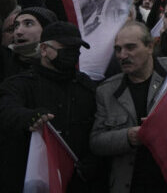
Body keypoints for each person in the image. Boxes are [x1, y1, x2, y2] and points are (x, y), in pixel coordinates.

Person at [90, 21, 167, 193]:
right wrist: (130, 137)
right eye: (118, 49)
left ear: (150, 47)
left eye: (130, 47)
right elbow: (97, 142)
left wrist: (163, 127)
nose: (122, 55)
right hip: (131, 184)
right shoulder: (107, 91)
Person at [0, 22, 102, 193]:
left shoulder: (87, 87)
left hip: (77, 182)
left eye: (76, 49)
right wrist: (29, 118)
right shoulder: (21, 84)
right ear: (44, 49)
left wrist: (92, 162)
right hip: (32, 180)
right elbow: (6, 109)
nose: (72, 54)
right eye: (65, 48)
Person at [1, 7, 56, 81]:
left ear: (46, 29)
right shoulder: (4, 61)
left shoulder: (60, 65)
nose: (18, 32)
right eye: (16, 26)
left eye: (28, 24)